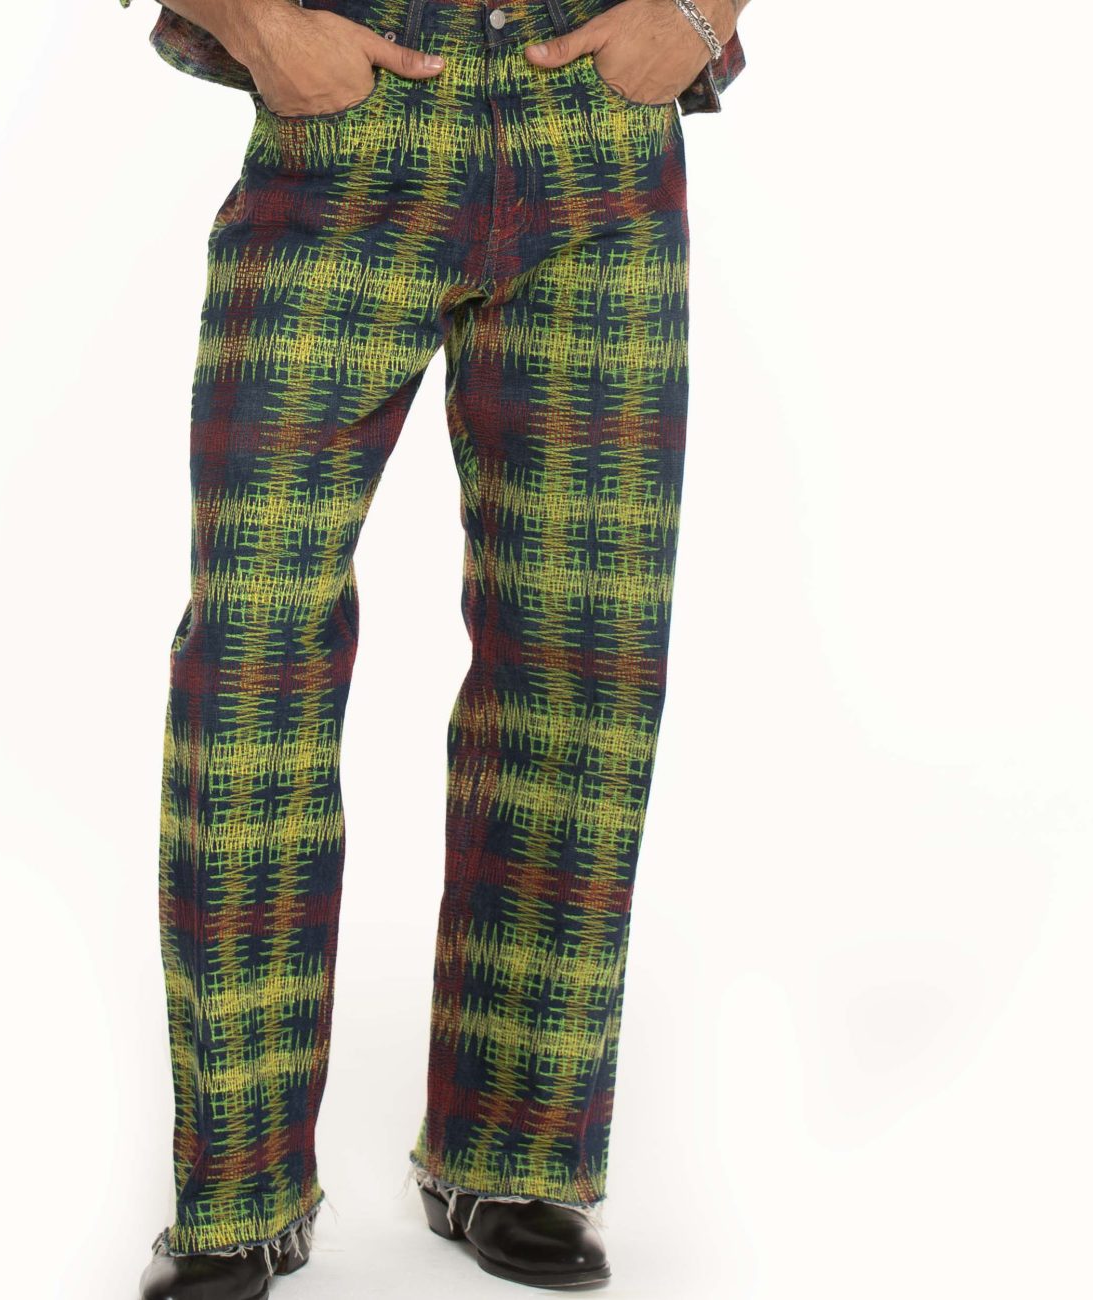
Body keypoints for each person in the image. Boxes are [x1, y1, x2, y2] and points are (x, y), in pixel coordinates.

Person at [123, 0, 750, 1293]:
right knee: (249, 654)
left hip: (594, 123)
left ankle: (516, 1155)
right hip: (344, 117)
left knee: (582, 654)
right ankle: (239, 1193)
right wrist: (257, 24)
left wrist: (703, 10)